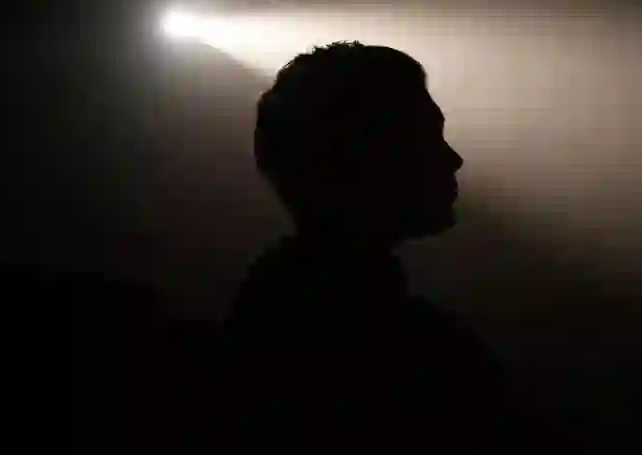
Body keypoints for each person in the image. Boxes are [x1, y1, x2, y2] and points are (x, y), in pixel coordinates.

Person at [216, 41, 515, 452]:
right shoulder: (406, 356)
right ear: (362, 157)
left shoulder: (270, 318)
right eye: (426, 137)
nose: (453, 159)